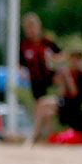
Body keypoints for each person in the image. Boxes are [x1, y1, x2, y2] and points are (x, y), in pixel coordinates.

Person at [20, 12, 64, 145]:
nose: (31, 31)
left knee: (45, 107)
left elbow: (61, 55)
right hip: (35, 82)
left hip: (50, 80)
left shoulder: (47, 42)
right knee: (39, 108)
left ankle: (39, 135)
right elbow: (20, 63)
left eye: (32, 27)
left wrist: (55, 61)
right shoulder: (25, 45)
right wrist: (22, 72)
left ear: (38, 27)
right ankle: (47, 136)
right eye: (28, 29)